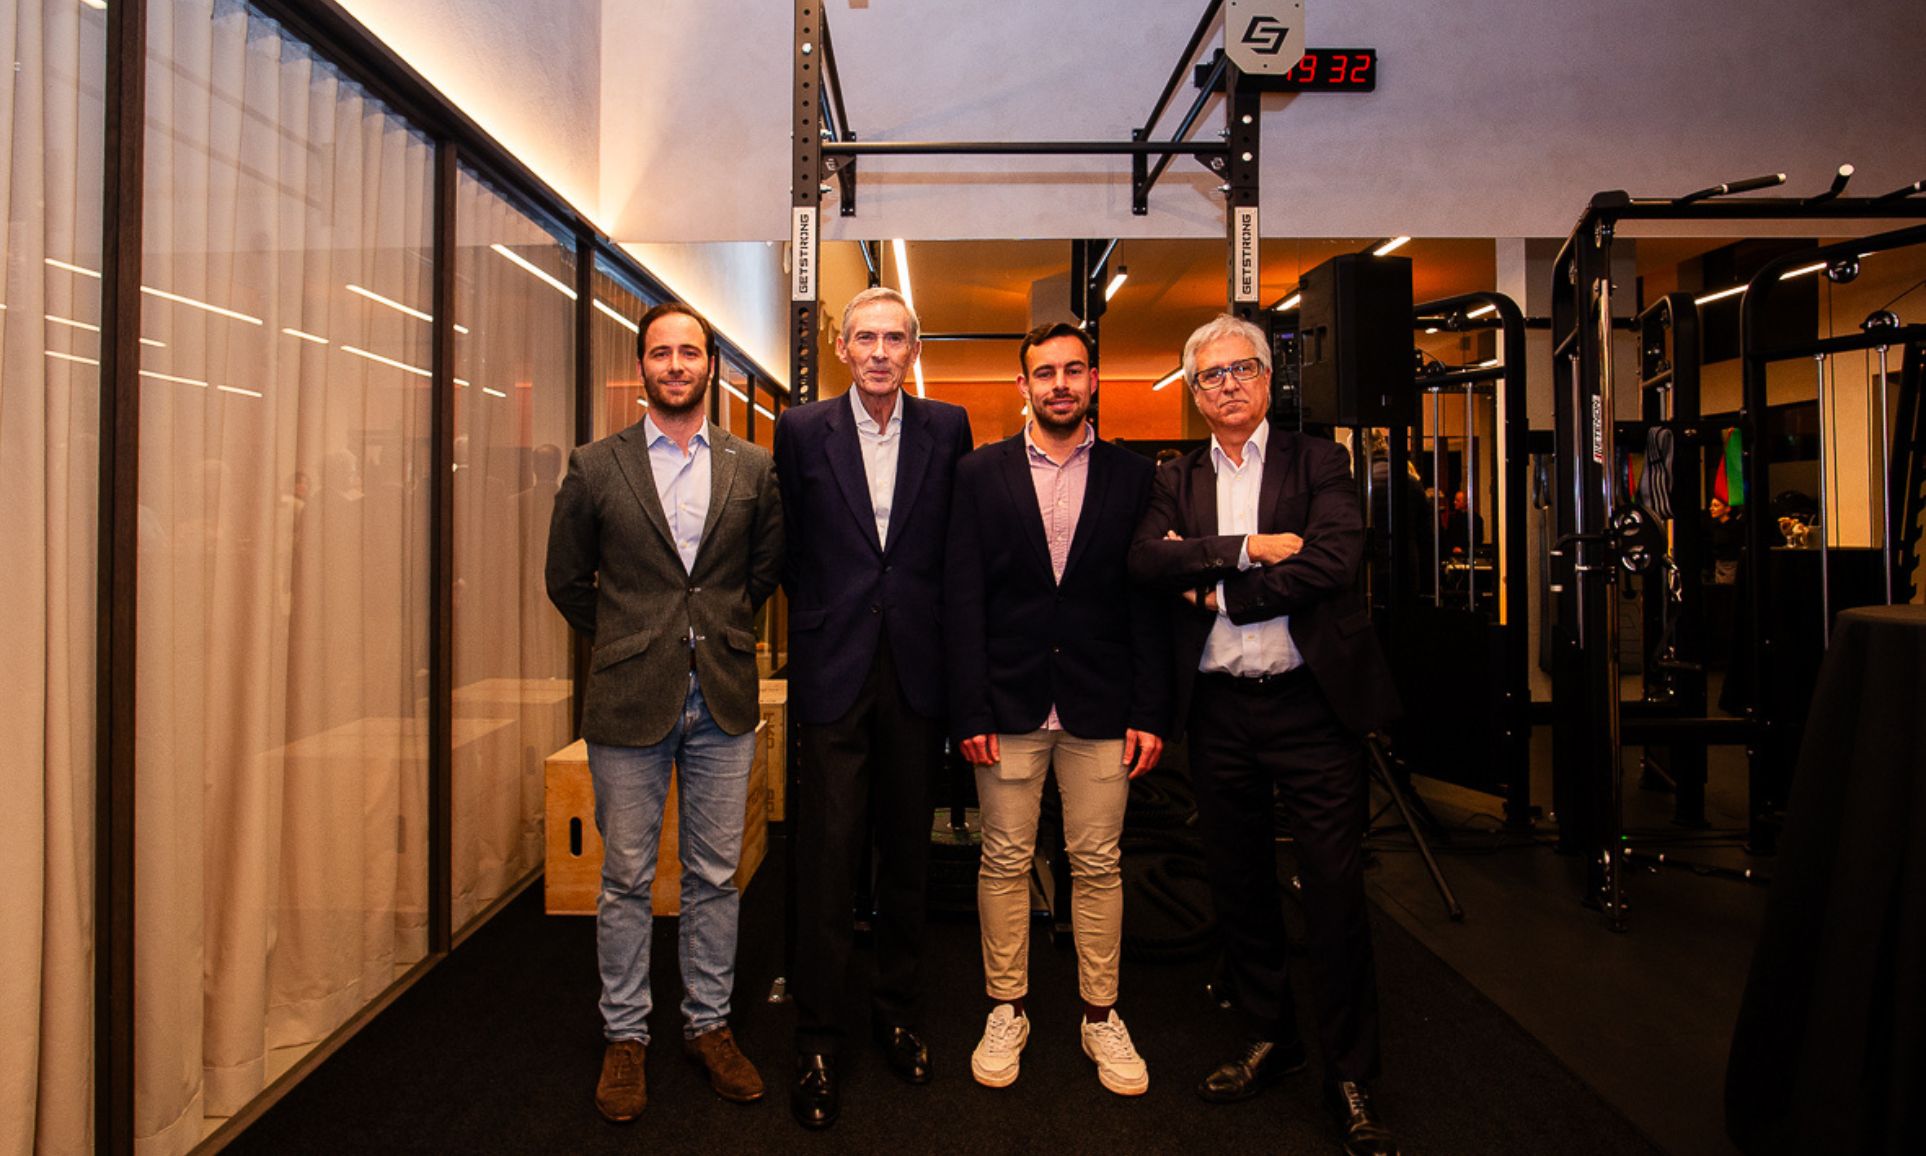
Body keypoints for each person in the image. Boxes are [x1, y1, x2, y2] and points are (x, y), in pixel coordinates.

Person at [1128, 314, 1403, 1156]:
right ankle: (1271, 1037)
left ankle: (1351, 1075)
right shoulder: (1173, 477)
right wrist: (1245, 546)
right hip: (1219, 713)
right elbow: (1146, 561)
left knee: (1334, 890)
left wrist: (1219, 590)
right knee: (1239, 884)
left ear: (1268, 378)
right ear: (1193, 391)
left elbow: (1332, 562)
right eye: (1210, 375)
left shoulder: (1320, 463)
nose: (1228, 385)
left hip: (1312, 708)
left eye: (1242, 368)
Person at [545, 301, 783, 1123]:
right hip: (628, 700)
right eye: (660, 353)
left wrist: (712, 632)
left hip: (722, 696)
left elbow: (762, 571)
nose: (676, 365)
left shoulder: (752, 466)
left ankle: (708, 1025)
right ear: (640, 364)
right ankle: (626, 1035)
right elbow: (566, 580)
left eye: (689, 352)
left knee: (716, 875)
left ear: (710, 364)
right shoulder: (595, 466)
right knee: (625, 878)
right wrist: (631, 637)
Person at [945, 322, 1170, 1096]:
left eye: (1074, 370)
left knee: (1098, 864)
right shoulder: (979, 474)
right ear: (1024, 386)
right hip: (1006, 704)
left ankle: (1100, 1015)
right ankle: (1006, 1008)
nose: (1061, 384)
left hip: (1102, 705)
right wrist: (969, 708)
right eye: (1045, 373)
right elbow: (962, 597)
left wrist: (1150, 708)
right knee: (1004, 860)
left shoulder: (1135, 476)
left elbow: (1148, 602)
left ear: (1094, 380)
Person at [773, 286, 974, 1130]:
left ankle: (897, 1014)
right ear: (843, 348)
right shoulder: (800, 430)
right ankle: (819, 1038)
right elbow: (791, 546)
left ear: (914, 349)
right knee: (826, 857)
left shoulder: (949, 427)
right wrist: (828, 621)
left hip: (917, 672)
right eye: (866, 338)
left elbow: (956, 551)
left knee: (906, 857)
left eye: (896, 337)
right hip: (834, 668)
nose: (881, 351)